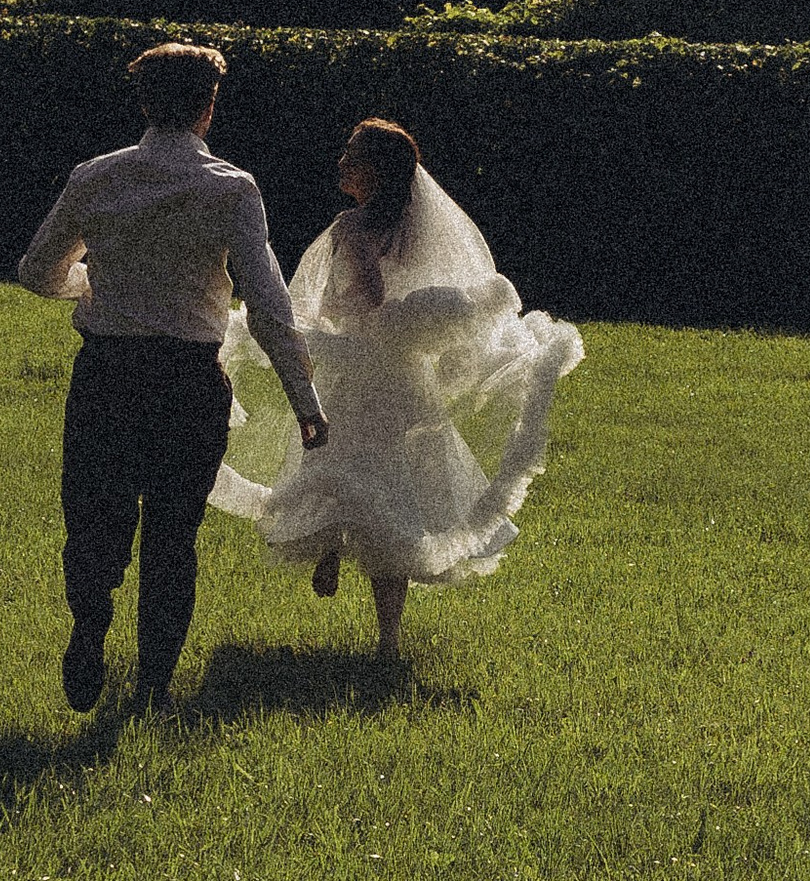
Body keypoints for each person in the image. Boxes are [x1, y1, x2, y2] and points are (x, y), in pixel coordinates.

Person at [16, 42, 327, 711]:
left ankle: (90, 621)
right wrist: (305, 401)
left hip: (106, 374)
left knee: (94, 515)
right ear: (209, 107)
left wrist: (88, 284)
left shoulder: (94, 177)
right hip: (187, 380)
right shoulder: (231, 188)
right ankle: (153, 684)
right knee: (173, 533)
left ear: (143, 101)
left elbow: (36, 271)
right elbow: (269, 307)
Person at [214, 118, 583, 660]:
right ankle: (386, 634)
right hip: (401, 377)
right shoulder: (413, 229)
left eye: (352, 155)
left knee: (337, 465)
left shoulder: (352, 228)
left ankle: (333, 551)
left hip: (361, 373)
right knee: (391, 486)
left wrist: (340, 315)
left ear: (375, 173)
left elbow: (361, 301)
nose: (341, 161)